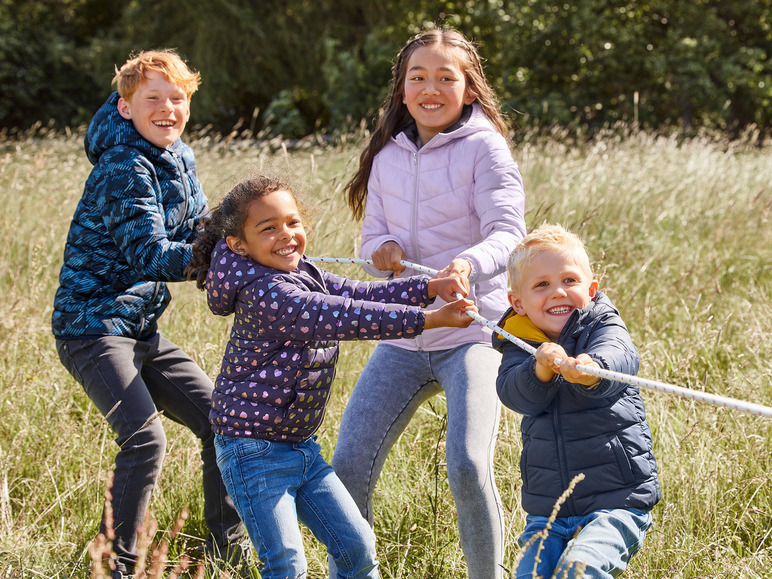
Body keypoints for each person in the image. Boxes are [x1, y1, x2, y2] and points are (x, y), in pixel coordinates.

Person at [187, 176, 479, 579]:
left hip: (302, 449)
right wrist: (430, 320)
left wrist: (428, 287)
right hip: (251, 453)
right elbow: (348, 316)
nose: (286, 235)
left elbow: (359, 295)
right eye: (268, 228)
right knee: (286, 563)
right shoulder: (266, 293)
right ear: (239, 245)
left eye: (292, 222)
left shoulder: (301, 272)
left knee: (357, 546)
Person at [331, 28, 526, 578]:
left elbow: (509, 232)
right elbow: (369, 244)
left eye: (446, 77)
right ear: (402, 89)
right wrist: (383, 251)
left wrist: (466, 264)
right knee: (346, 467)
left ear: (468, 90)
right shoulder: (387, 155)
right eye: (418, 77)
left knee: (466, 464)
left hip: (472, 333)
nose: (431, 88)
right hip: (403, 333)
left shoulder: (485, 146)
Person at [52, 50, 247, 578]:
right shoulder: (123, 165)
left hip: (139, 328)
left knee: (221, 421)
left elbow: (197, 230)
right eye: (152, 99)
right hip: (91, 327)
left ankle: (226, 551)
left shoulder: (178, 156)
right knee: (144, 438)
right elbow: (150, 254)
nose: (167, 108)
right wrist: (227, 256)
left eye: (176, 98)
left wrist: (243, 239)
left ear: (188, 105)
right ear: (125, 108)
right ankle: (117, 567)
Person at [493, 223, 661, 578]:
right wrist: (539, 368)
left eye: (570, 280)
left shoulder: (602, 324)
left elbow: (620, 357)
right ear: (517, 303)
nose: (558, 292)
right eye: (542, 285)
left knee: (578, 569)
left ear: (591, 288)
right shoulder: (517, 341)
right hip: (548, 507)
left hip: (616, 499)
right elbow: (512, 392)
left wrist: (590, 369)